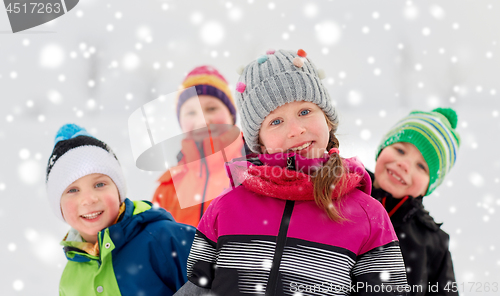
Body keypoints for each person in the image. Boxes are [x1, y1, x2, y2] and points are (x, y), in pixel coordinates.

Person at [175, 49, 408, 296]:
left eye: (305, 112)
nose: (295, 130)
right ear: (259, 141)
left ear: (327, 120)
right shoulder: (226, 208)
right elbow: (197, 288)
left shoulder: (368, 217)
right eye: (276, 121)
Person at [45, 123, 195, 296]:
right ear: (58, 205)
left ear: (118, 191)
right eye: (73, 190)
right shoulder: (70, 279)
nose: (89, 199)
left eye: (99, 184)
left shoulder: (165, 239)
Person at [368, 108, 460, 296]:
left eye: (421, 166)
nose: (404, 165)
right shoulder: (339, 195)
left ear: (429, 186)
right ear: (383, 148)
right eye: (400, 150)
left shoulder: (432, 242)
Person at [152, 65, 248, 227]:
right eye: (191, 112)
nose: (202, 121)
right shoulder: (167, 189)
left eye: (211, 108)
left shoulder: (260, 166)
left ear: (231, 116)